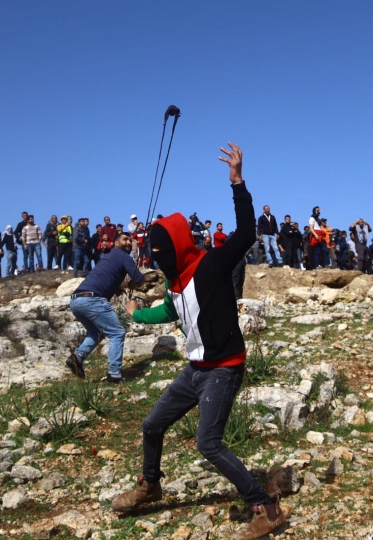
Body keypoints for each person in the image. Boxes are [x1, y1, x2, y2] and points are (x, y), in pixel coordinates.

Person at [113, 142, 290, 540]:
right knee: (152, 426)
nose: (158, 260)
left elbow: (246, 231)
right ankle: (150, 485)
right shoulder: (175, 284)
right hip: (196, 370)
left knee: (208, 443)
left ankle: (265, 505)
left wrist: (238, 182)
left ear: (176, 246)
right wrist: (136, 314)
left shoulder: (211, 265)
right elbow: (169, 313)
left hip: (224, 370)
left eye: (162, 253)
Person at [66, 232, 144, 383]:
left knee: (96, 333)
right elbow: (139, 278)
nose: (128, 242)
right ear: (115, 243)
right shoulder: (122, 256)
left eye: (130, 240)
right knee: (117, 332)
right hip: (93, 300)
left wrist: (117, 287)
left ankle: (77, 357)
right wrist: (134, 283)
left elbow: (107, 277)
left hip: (76, 300)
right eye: (125, 239)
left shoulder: (108, 257)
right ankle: (114, 375)